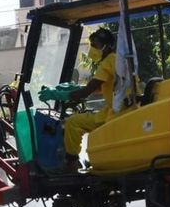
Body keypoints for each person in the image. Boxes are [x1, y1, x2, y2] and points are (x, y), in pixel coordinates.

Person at [39, 28, 124, 173]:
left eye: (95, 45)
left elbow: (87, 92)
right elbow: (99, 86)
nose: (92, 49)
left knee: (73, 122)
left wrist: (58, 95)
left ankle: (71, 163)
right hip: (120, 109)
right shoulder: (117, 60)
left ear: (107, 46)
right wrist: (72, 89)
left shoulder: (108, 62)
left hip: (114, 113)